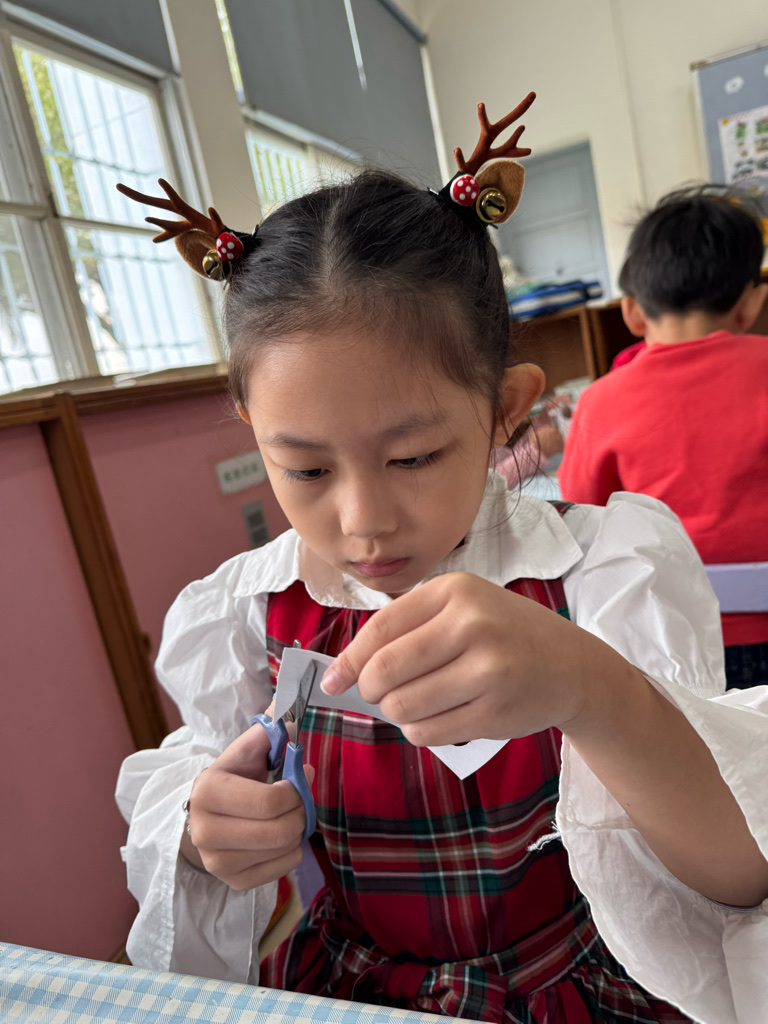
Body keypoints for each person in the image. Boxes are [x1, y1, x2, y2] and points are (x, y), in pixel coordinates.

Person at [115, 107, 768, 1024]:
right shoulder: (247, 611)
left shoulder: (601, 572)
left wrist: (591, 688)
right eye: (305, 469)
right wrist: (202, 825)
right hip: (357, 989)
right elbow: (196, 777)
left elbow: (739, 881)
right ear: (254, 433)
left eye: (414, 457)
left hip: (575, 984)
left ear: (506, 410)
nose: (364, 522)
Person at [558, 186, 768, 689]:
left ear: (631, 312)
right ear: (751, 305)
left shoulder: (599, 402)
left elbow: (580, 517)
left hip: (672, 643)